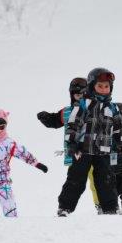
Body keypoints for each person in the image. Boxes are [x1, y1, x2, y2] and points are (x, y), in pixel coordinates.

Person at [57, 68, 122, 216]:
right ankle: (65, 207)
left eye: (106, 86)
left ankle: (110, 208)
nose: (103, 89)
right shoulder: (83, 104)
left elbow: (119, 130)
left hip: (103, 151)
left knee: (106, 181)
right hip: (82, 150)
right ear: (91, 86)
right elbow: (73, 124)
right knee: (76, 179)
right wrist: (71, 143)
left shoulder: (113, 108)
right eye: (100, 86)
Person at [37, 77, 104, 212]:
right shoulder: (67, 111)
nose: (80, 97)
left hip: (93, 151)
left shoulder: (94, 110)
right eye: (77, 95)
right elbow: (55, 121)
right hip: (75, 153)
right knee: (75, 181)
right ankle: (65, 207)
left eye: (83, 95)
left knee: (98, 179)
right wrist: (46, 118)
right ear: (72, 95)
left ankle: (102, 205)